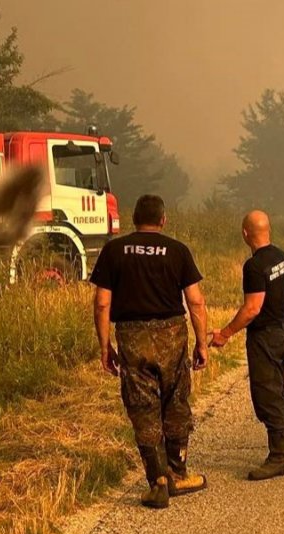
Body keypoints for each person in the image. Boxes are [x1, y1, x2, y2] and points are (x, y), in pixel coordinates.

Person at [91, 195, 210, 509]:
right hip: (172, 333)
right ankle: (178, 472)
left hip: (132, 336)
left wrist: (105, 347)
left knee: (143, 409)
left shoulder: (114, 250)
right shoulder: (178, 250)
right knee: (176, 403)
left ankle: (157, 480)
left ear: (134, 219)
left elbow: (102, 302)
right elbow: (196, 301)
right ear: (163, 220)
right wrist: (201, 342)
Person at [209, 210, 284, 481]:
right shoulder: (282, 257)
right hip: (283, 331)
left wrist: (226, 333)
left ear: (245, 234)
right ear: (268, 230)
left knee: (267, 396)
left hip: (265, 336)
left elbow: (252, 308)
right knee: (280, 390)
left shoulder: (254, 266)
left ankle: (279, 458)